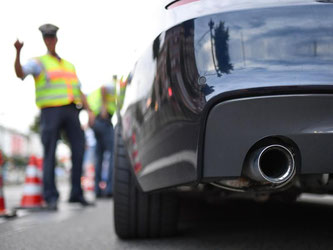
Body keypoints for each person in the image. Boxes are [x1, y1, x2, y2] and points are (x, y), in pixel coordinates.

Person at [14, 24, 95, 210]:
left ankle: (77, 193)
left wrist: (90, 110)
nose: (50, 41)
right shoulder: (38, 62)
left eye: (52, 38)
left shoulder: (69, 65)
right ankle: (51, 196)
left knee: (79, 150)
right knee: (50, 152)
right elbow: (20, 73)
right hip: (50, 111)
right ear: (44, 40)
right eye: (47, 38)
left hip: (72, 110)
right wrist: (18, 53)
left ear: (56, 40)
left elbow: (79, 90)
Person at [87, 76, 118, 197]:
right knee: (113, 152)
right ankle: (110, 189)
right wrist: (104, 107)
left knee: (99, 155)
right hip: (103, 120)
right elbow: (104, 88)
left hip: (97, 122)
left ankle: (97, 191)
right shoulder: (116, 85)